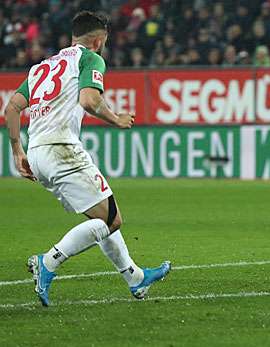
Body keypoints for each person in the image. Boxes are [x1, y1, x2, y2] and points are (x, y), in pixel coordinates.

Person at [4, 11, 170, 307]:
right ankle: (48, 262)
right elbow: (89, 100)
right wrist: (116, 119)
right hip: (62, 148)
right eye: (104, 42)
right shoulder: (90, 58)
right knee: (111, 219)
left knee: (100, 217)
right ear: (97, 40)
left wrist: (17, 151)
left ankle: (135, 277)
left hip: (37, 152)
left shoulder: (41, 67)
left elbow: (12, 108)